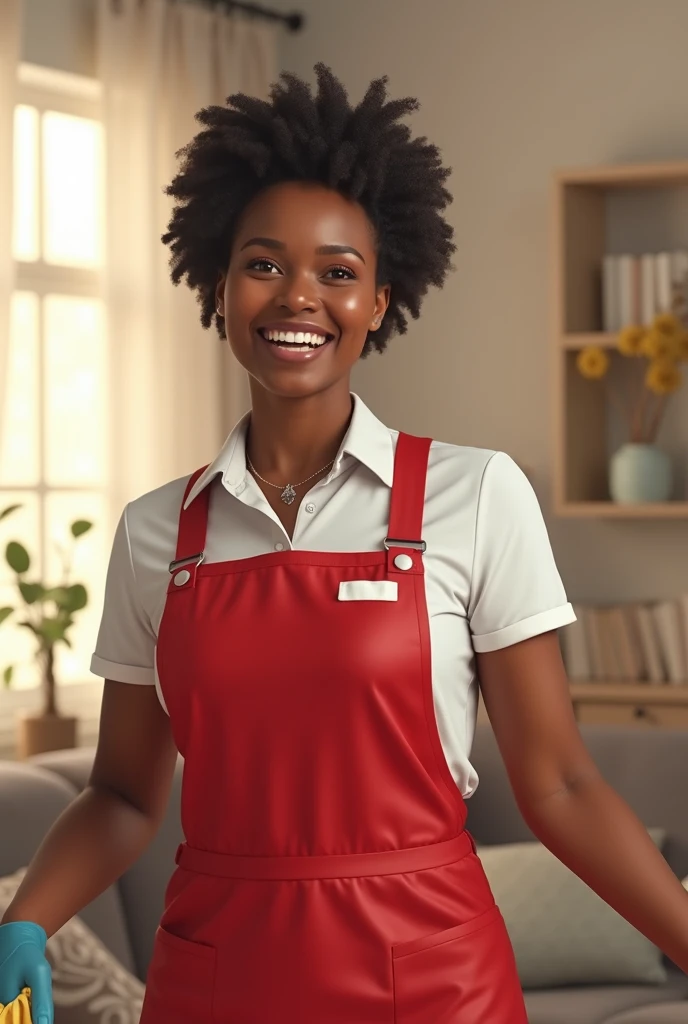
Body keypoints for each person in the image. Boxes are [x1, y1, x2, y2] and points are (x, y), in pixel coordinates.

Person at [1, 63, 687, 1024]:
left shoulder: (475, 494)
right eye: (264, 264)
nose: (298, 298)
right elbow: (121, 793)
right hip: (215, 983)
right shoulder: (156, 531)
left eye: (337, 272)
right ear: (219, 282)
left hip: (432, 984)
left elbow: (563, 783)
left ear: (377, 299)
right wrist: (25, 918)